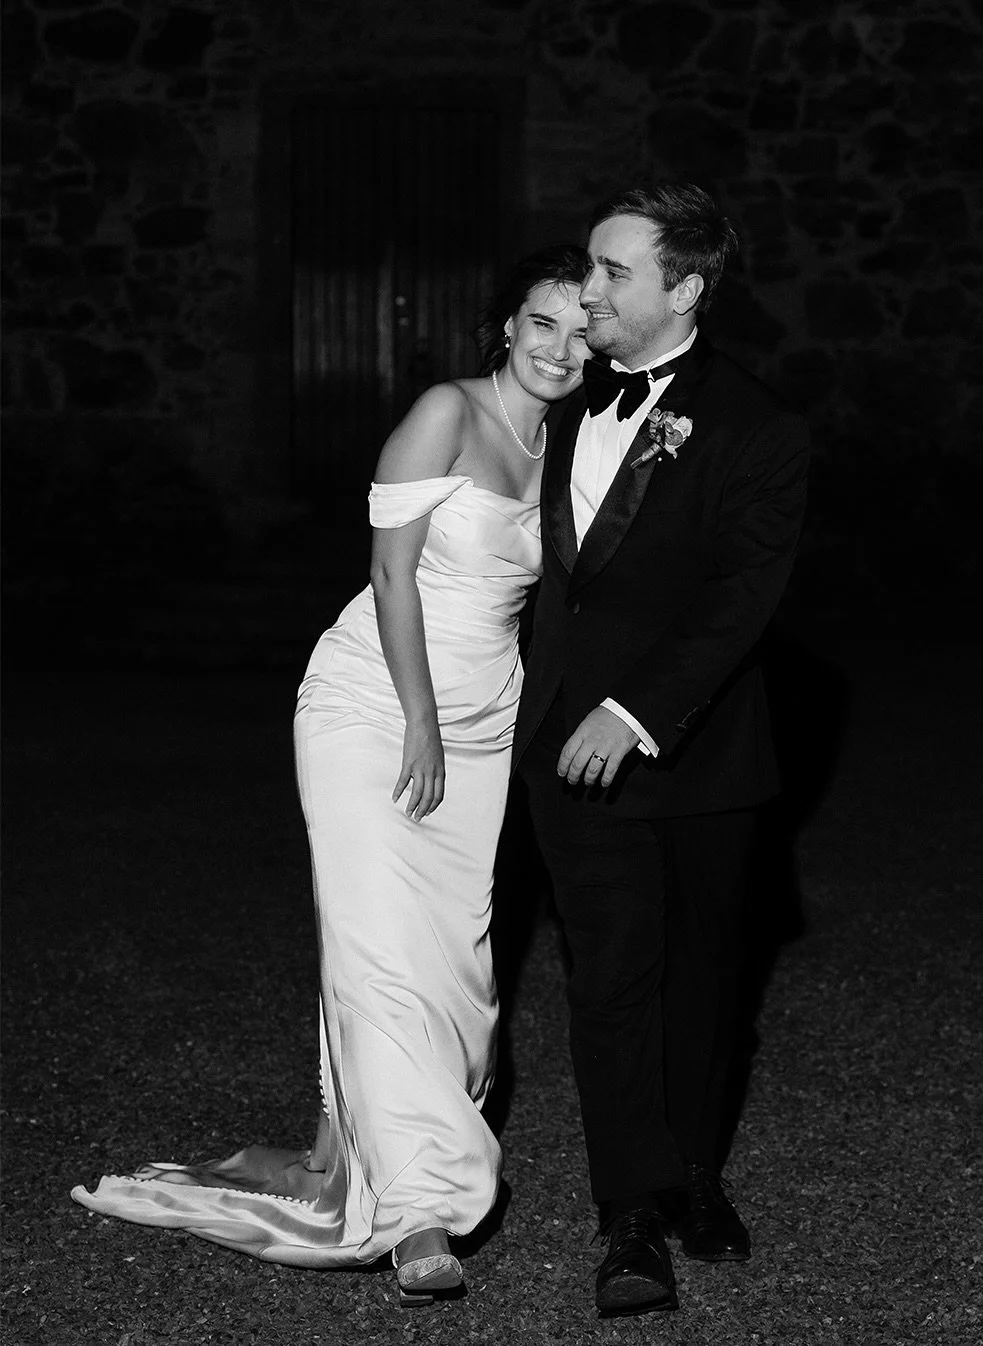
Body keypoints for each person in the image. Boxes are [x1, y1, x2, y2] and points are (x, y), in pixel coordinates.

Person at [72, 244, 591, 1306]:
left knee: (453, 959)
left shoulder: (567, 442)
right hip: (375, 707)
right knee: (375, 943)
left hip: (486, 719)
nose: (561, 347)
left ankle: (331, 1155)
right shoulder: (446, 410)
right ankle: (416, 1214)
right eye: (543, 323)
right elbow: (390, 572)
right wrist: (419, 720)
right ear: (506, 325)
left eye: (583, 330)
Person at [513, 183, 810, 1318]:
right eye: (588, 266)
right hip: (561, 753)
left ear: (684, 288)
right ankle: (628, 1208)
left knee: (709, 976)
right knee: (612, 976)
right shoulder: (556, 394)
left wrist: (635, 711)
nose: (588, 290)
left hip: (701, 755)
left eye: (615, 272)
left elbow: (741, 598)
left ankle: (694, 1169)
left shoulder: (756, 425)